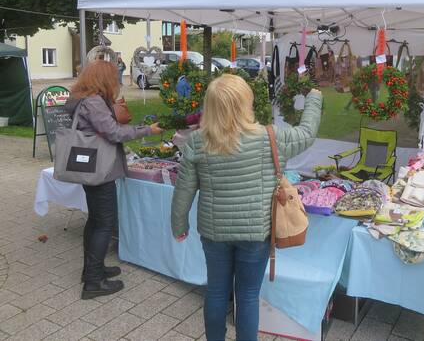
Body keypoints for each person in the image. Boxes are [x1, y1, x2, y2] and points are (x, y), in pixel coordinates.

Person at [171, 74, 322, 341]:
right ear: (245, 104)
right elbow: (307, 133)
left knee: (216, 292)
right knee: (248, 296)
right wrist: (314, 98)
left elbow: (184, 189)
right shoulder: (270, 138)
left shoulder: (197, 142)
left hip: (214, 232)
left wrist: (178, 225)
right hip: (255, 234)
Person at [65, 60, 162, 300]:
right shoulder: (94, 102)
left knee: (96, 221)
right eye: (115, 76)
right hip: (101, 169)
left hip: (90, 167)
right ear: (103, 79)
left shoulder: (83, 98)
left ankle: (92, 270)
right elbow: (114, 132)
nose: (118, 80)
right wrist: (147, 130)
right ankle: (93, 282)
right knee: (105, 223)